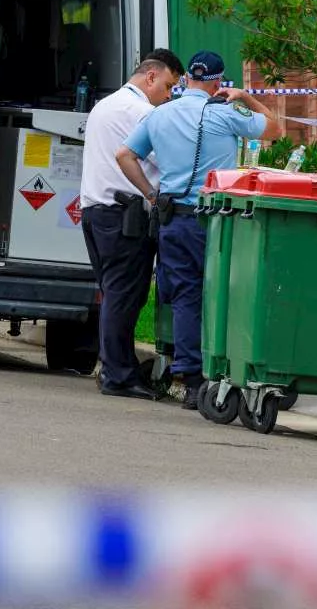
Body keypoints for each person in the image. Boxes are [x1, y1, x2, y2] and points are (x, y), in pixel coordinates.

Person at [115, 50, 278, 409]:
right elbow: (276, 128)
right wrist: (247, 98)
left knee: (186, 296)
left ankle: (192, 380)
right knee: (226, 293)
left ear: (187, 77)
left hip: (174, 219)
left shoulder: (159, 115)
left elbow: (124, 155)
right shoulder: (225, 112)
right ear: (219, 82)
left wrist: (151, 194)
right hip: (216, 218)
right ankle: (224, 368)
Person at [79, 48, 185, 400]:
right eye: (168, 86)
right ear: (151, 76)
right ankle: (118, 375)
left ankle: (114, 366)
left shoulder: (105, 105)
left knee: (115, 293)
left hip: (97, 212)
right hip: (123, 215)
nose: (168, 96)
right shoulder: (139, 112)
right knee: (125, 295)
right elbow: (168, 159)